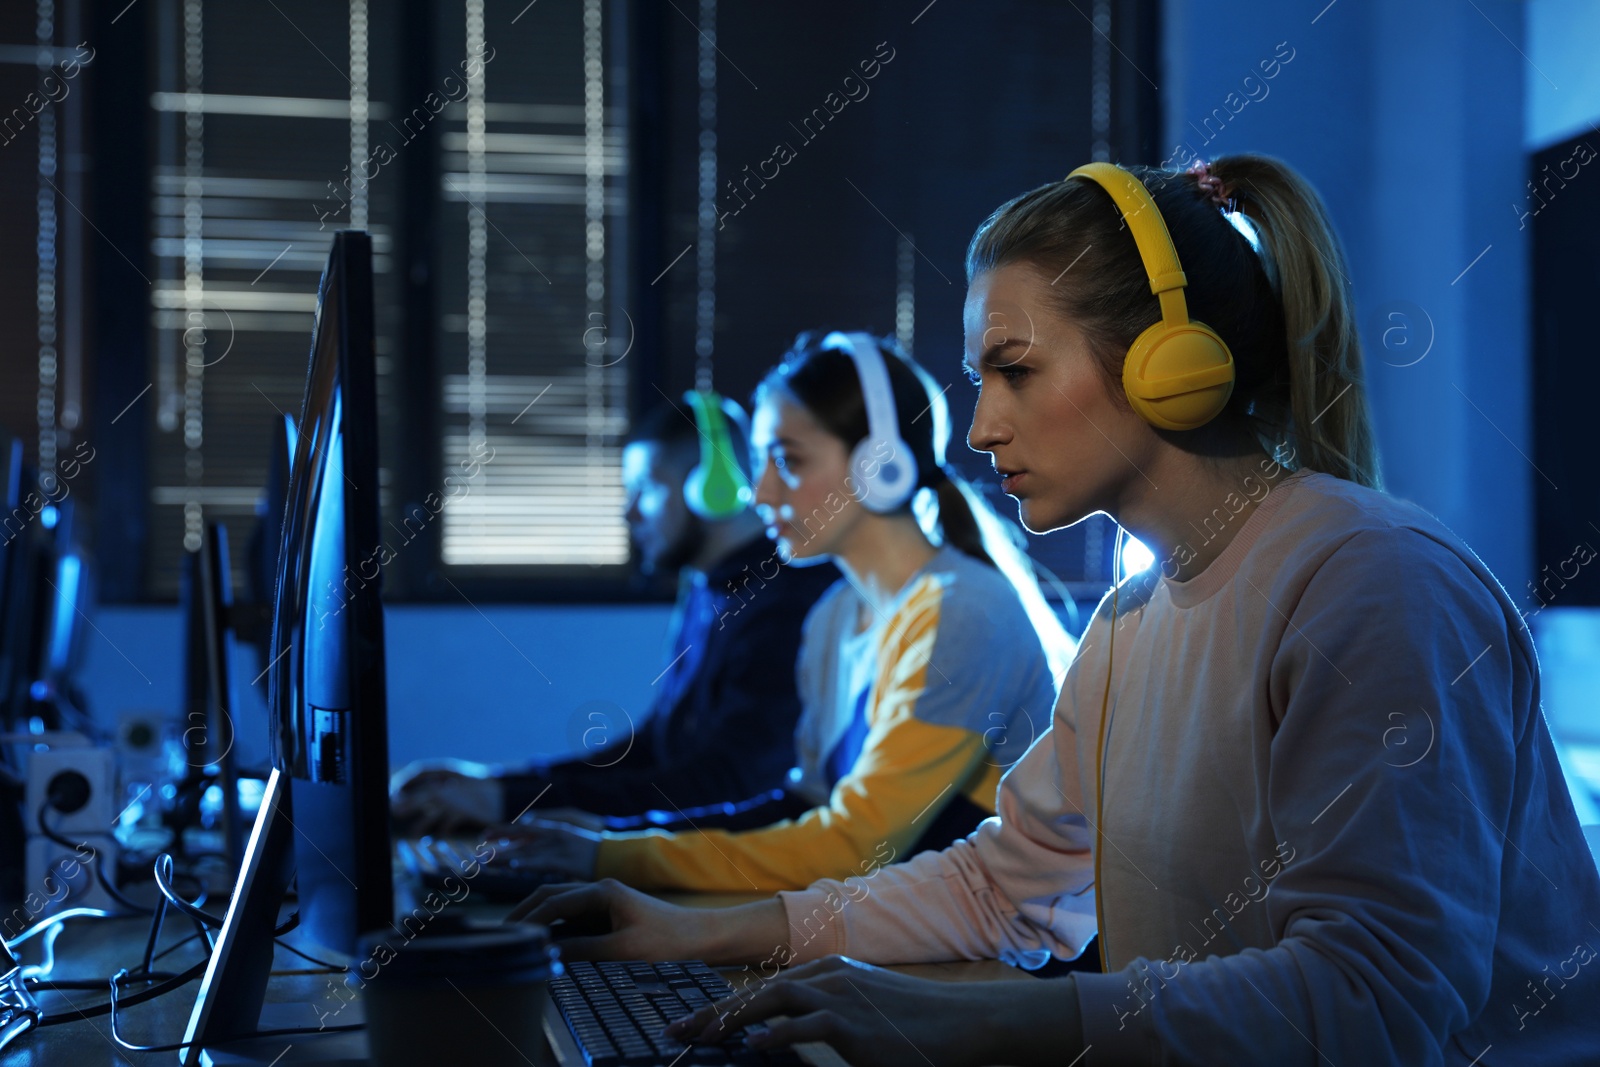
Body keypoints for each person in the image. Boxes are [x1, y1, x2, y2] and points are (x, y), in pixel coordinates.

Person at [509, 156, 1600, 1066]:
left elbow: (1376, 1003)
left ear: (1171, 366)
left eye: (1014, 370)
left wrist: (975, 1019)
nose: (980, 429)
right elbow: (1003, 884)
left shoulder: (1374, 582)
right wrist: (685, 929)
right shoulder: (1129, 622)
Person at [502, 330, 1074, 891]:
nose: (761, 493)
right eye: (761, 463)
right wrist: (615, 840)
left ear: (881, 465)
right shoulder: (835, 614)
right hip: (906, 941)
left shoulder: (962, 613)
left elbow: (853, 848)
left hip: (1001, 963)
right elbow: (805, 807)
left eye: (787, 460)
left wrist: (617, 859)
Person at [391, 396, 839, 833]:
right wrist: (500, 784)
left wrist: (511, 804)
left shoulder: (784, 604)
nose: (628, 514)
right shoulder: (709, 589)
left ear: (711, 489)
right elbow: (658, 747)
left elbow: (725, 784)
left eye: (645, 489)